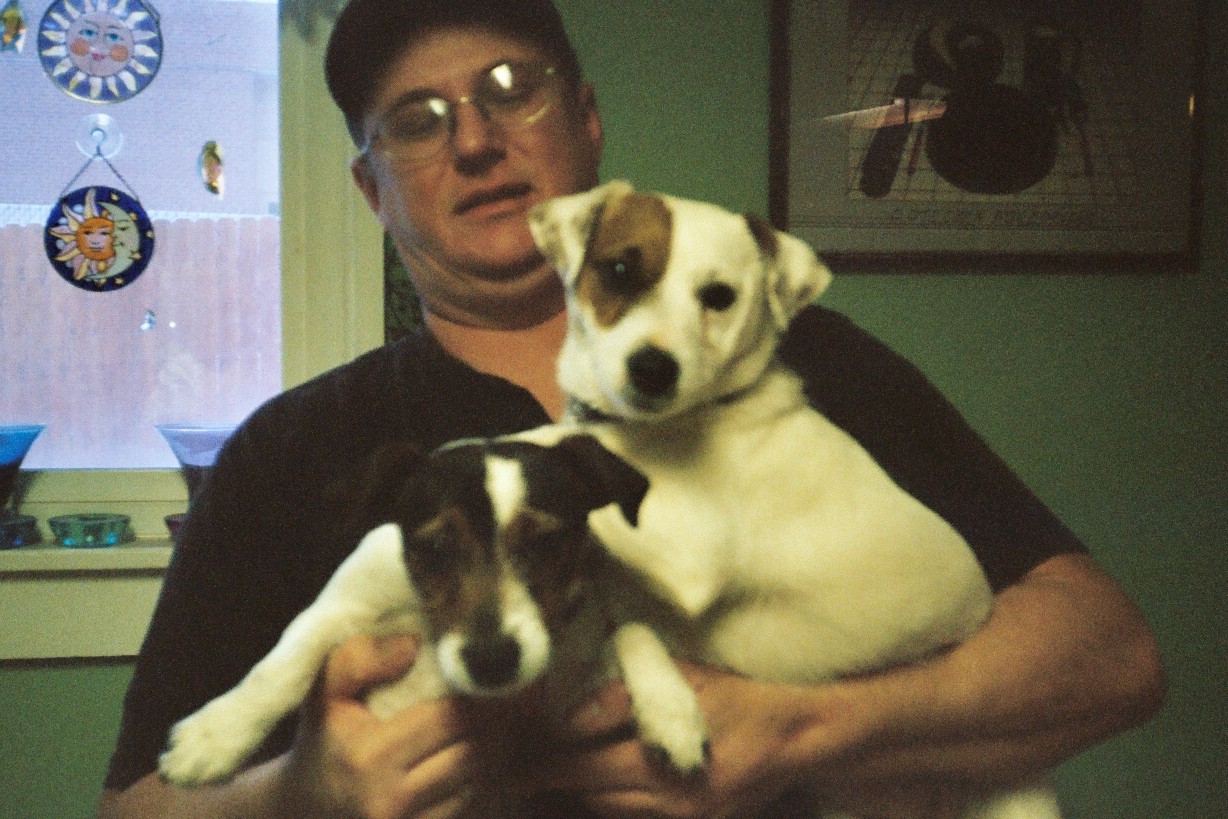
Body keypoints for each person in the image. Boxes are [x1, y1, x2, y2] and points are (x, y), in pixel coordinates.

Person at [98, 1, 1164, 816]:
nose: (474, 140)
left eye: (511, 88)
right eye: (416, 123)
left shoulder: (797, 365)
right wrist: (294, 796)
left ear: (588, 118)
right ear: (372, 190)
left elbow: (1114, 658)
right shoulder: (289, 450)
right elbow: (131, 808)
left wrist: (808, 728)